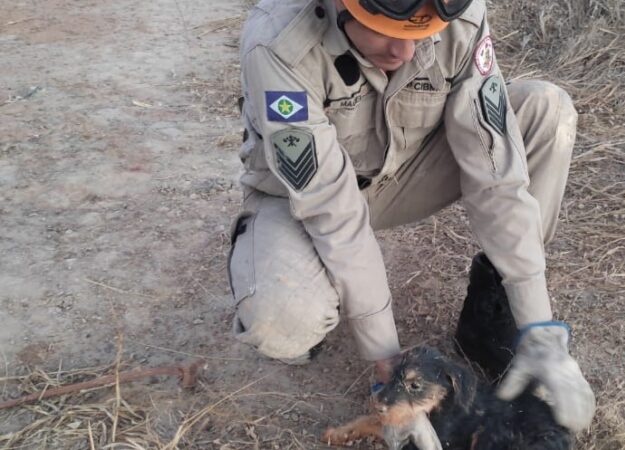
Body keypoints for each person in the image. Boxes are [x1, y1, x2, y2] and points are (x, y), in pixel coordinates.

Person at [228, 0, 595, 444]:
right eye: (384, 29)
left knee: (546, 110)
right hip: (305, 199)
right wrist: (390, 366)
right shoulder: (279, 41)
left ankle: (492, 312)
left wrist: (540, 325)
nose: (404, 51)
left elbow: (496, 176)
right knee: (282, 320)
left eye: (422, 32)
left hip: (407, 172)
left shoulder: (463, 14)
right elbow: (334, 213)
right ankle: (290, 275)